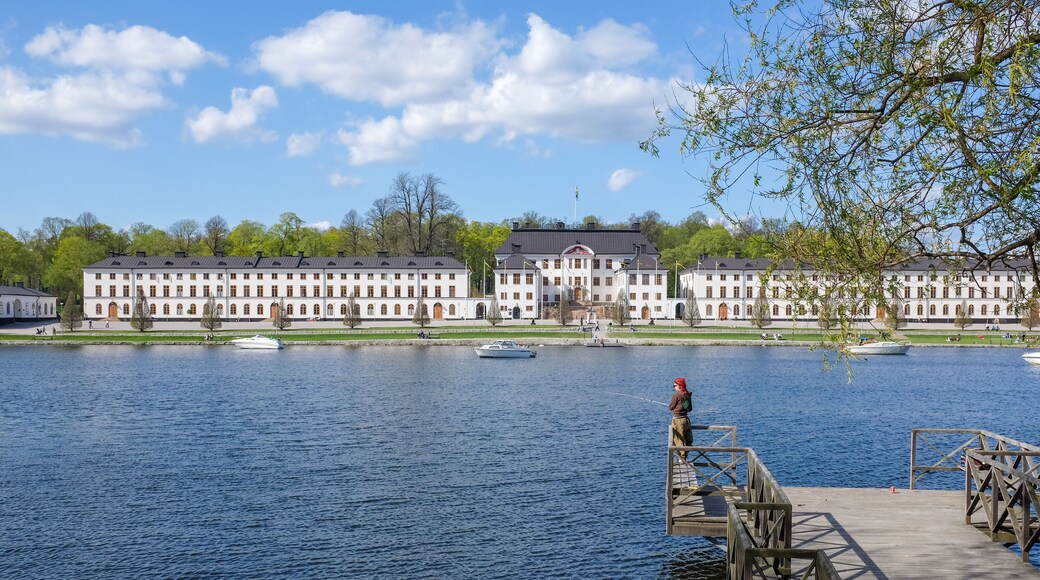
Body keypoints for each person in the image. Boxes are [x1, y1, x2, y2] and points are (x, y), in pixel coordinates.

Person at [669, 377, 693, 460]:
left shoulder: (676, 395)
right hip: (686, 420)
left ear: (679, 386)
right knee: (687, 439)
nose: (674, 387)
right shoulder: (687, 395)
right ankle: (684, 457)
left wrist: (673, 406)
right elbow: (689, 409)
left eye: (674, 385)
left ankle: (682, 459)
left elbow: (671, 407)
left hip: (678, 420)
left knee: (679, 440)